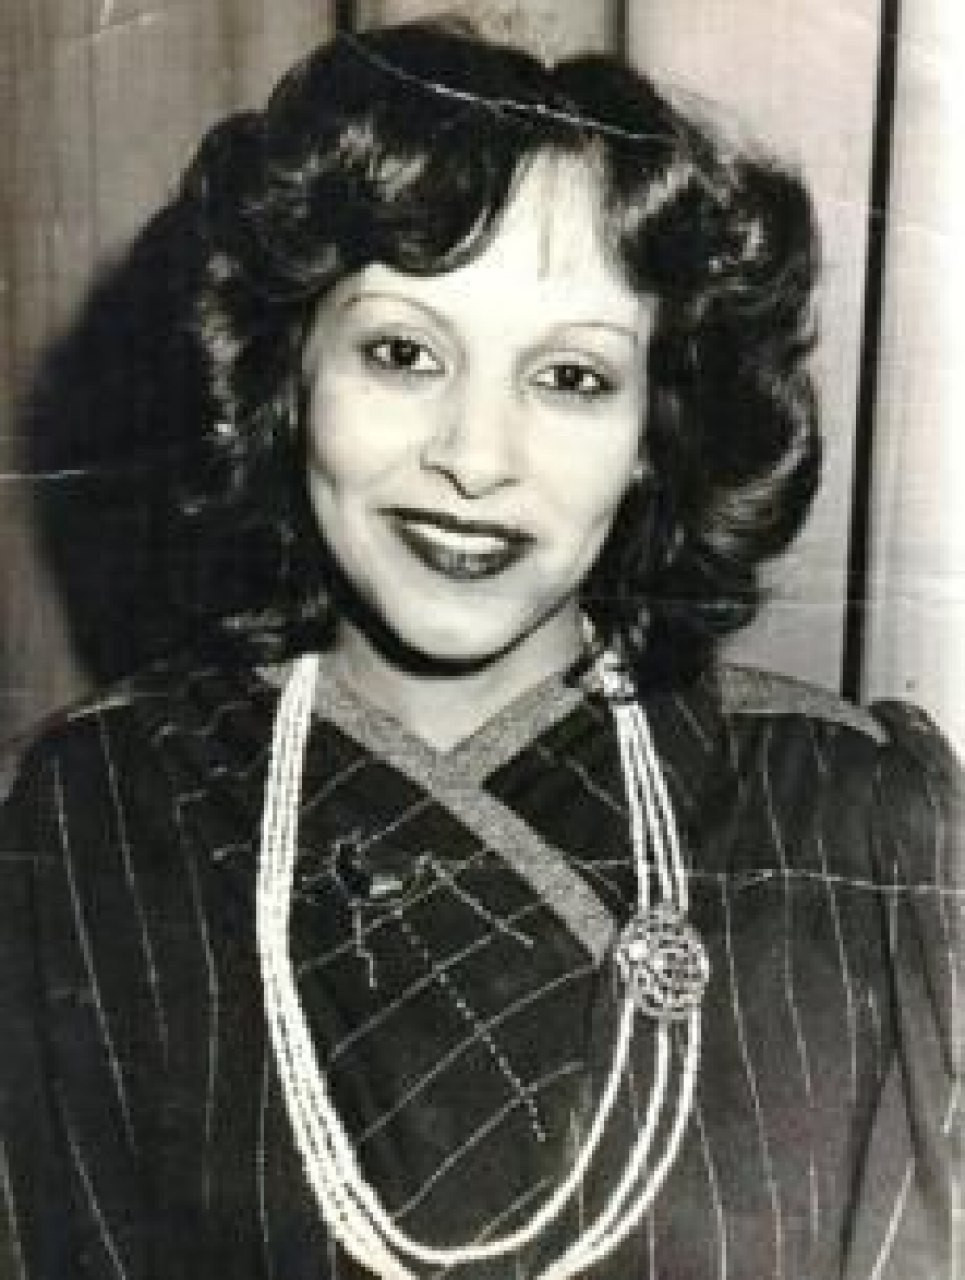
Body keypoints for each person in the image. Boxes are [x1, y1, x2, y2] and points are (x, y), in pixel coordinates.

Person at [1, 20, 961, 1280]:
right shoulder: (81, 818)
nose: (474, 457)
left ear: (655, 431)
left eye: (570, 377)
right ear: (288, 376)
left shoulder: (862, 821)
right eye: (402, 353)